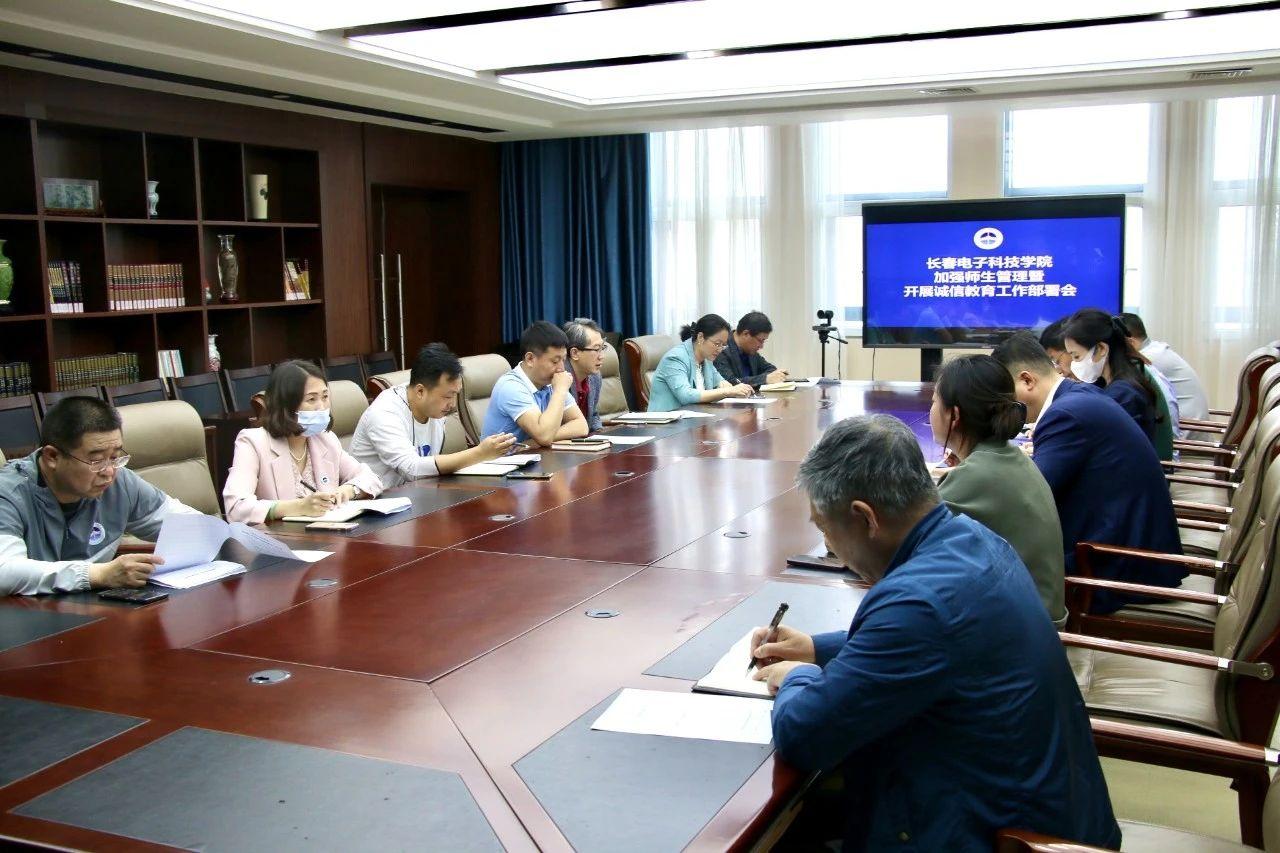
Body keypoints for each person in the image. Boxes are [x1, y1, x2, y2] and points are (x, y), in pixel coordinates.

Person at [749, 415, 1119, 852]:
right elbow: (935, 645)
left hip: (999, 836)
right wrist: (815, 649)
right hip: (1041, 808)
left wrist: (797, 676)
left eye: (825, 528)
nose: (830, 546)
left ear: (865, 518)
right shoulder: (973, 539)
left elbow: (805, 735)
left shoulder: (917, 603)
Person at [993, 332, 1184, 614]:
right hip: (1131, 547)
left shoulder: (1065, 414)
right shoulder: (1079, 396)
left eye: (1006, 396)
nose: (1007, 405)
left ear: (1027, 380)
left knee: (993, 570)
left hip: (1117, 566)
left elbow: (1031, 498)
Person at [0, 396, 202, 595]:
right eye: (96, 461)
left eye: (115, 457)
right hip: (27, 612)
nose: (109, 472)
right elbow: (5, 572)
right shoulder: (8, 493)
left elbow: (196, 528)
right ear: (52, 456)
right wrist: (97, 575)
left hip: (94, 608)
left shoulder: (120, 482)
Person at [930, 355, 1067, 625]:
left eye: (934, 401)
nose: (931, 409)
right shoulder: (1009, 456)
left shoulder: (975, 475)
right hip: (1036, 619)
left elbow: (904, 539)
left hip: (1019, 633)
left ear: (954, 415)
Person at [223, 360, 385, 523]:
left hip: (330, 532)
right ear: (285, 405)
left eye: (325, 397)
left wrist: (348, 491)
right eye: (311, 399)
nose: (322, 407)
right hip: (279, 536)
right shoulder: (253, 442)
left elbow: (371, 478)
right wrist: (298, 507)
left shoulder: (325, 439)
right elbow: (236, 508)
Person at [351, 343, 517, 489]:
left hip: (417, 494)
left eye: (456, 394)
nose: (453, 404)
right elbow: (412, 470)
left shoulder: (434, 409)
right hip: (378, 503)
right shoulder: (384, 413)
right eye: (447, 396)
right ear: (420, 391)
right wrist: (479, 453)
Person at [1062, 309, 1172, 460]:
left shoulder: (1123, 394)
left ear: (1101, 349)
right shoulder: (1115, 383)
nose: (1074, 364)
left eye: (1077, 356)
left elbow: (1099, 443)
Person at [482, 321, 589, 446]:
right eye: (555, 361)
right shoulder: (511, 386)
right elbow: (544, 436)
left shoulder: (551, 382)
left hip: (532, 454)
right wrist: (560, 391)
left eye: (563, 360)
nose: (561, 368)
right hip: (504, 458)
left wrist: (532, 442)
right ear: (530, 359)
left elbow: (581, 426)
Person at [646, 314, 754, 411]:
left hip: (694, 420)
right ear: (701, 337)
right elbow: (686, 395)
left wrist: (733, 388)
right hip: (667, 424)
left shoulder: (706, 359)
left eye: (723, 345)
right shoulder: (675, 358)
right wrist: (728, 391)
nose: (720, 349)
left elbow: (721, 383)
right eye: (717, 344)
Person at [1120, 312, 1211, 421]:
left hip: (1188, 426)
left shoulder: (1148, 359)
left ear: (1131, 343)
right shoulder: (1155, 349)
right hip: (1186, 422)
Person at [714, 310, 788, 387]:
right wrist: (764, 379)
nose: (761, 346)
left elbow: (771, 369)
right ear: (746, 334)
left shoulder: (750, 350)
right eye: (760, 340)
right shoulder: (721, 348)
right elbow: (729, 382)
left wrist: (774, 376)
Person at [562, 317, 607, 433]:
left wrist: (600, 433)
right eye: (596, 349)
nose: (602, 356)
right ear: (574, 353)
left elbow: (593, 414)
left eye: (603, 348)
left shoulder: (595, 377)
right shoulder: (560, 379)